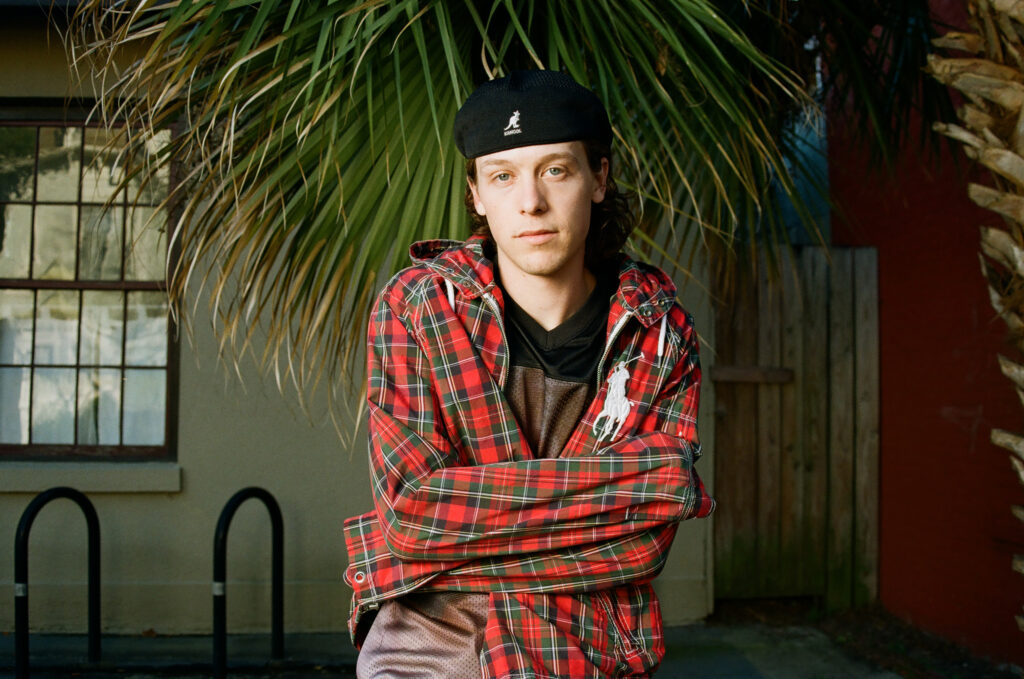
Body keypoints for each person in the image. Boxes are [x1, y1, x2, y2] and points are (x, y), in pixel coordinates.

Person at [344, 69, 714, 679]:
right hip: (426, 658)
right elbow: (411, 515)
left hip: (587, 655)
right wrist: (604, 504)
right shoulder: (417, 307)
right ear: (476, 194)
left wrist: (453, 534)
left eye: (555, 170)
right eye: (503, 176)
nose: (530, 202)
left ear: (599, 178)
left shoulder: (658, 330)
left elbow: (643, 544)